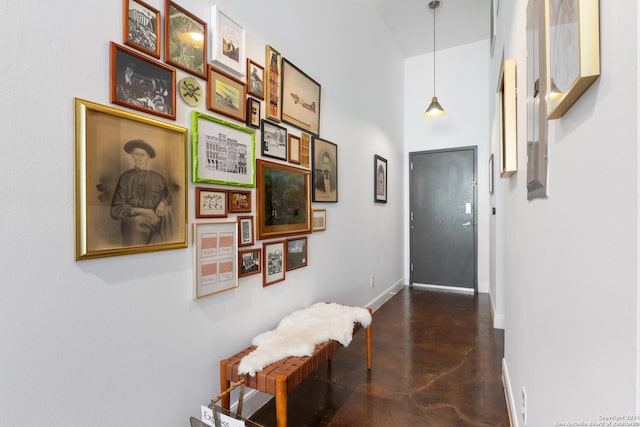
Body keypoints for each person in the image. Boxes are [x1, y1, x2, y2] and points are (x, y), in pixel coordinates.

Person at [111, 139, 174, 246]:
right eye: (136, 154)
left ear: (148, 156)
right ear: (132, 155)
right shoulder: (125, 178)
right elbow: (115, 210)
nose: (139, 158)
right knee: (136, 222)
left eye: (143, 155)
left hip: (155, 220)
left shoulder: (158, 178)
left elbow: (168, 197)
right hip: (131, 222)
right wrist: (141, 211)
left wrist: (163, 202)